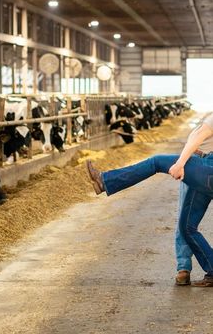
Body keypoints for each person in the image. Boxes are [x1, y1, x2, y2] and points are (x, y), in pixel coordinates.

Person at [86, 114, 213, 287]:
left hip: (208, 168)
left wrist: (180, 163)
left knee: (157, 161)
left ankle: (105, 180)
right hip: (205, 169)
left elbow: (199, 135)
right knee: (187, 227)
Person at [174, 113, 213, 286]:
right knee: (186, 220)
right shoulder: (207, 116)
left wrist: (181, 161)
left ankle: (185, 268)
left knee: (186, 221)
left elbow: (199, 136)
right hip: (198, 159)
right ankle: (183, 268)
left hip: (202, 164)